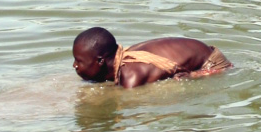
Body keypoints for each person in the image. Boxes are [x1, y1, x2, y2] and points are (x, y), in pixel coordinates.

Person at [73, 27, 232, 89]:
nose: (74, 65)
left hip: (212, 64)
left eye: (79, 61)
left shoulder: (131, 77)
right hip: (200, 50)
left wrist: (194, 75)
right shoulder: (123, 60)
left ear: (100, 61)